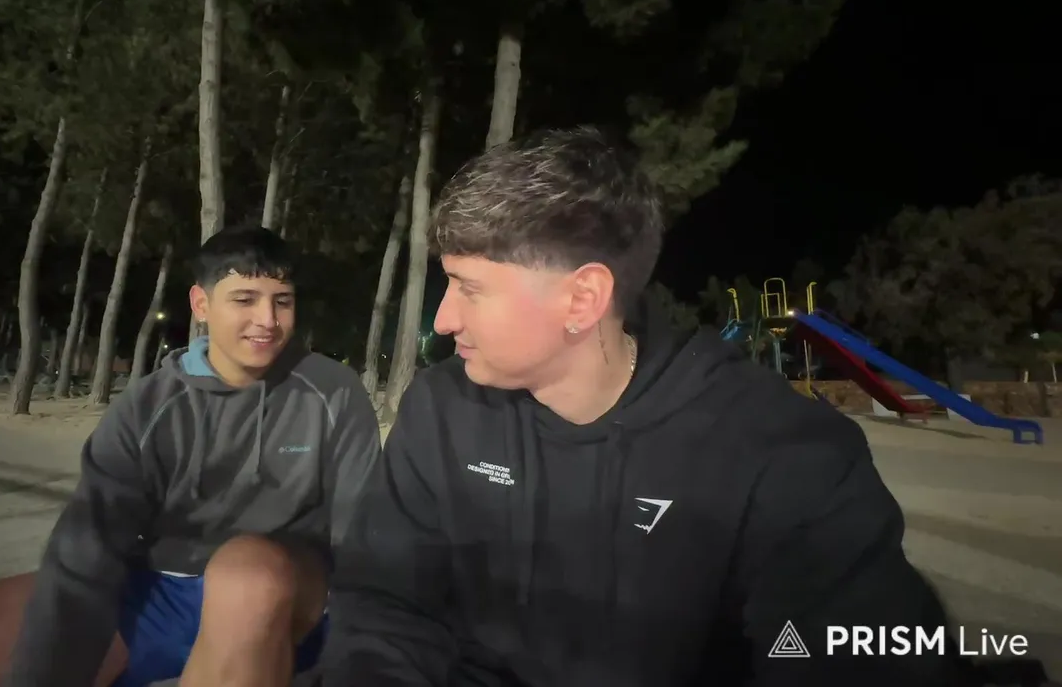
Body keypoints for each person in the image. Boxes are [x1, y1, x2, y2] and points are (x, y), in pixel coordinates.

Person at [320, 128, 974, 686]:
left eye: (469, 288)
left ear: (581, 300)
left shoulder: (780, 452)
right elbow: (383, 610)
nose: (443, 319)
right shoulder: (441, 411)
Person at [0, 226, 382, 687]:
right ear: (201, 305)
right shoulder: (150, 406)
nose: (268, 320)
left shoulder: (331, 391)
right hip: (157, 589)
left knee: (247, 573)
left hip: (284, 597)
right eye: (245, 299)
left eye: (282, 301)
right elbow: (88, 548)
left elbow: (360, 540)